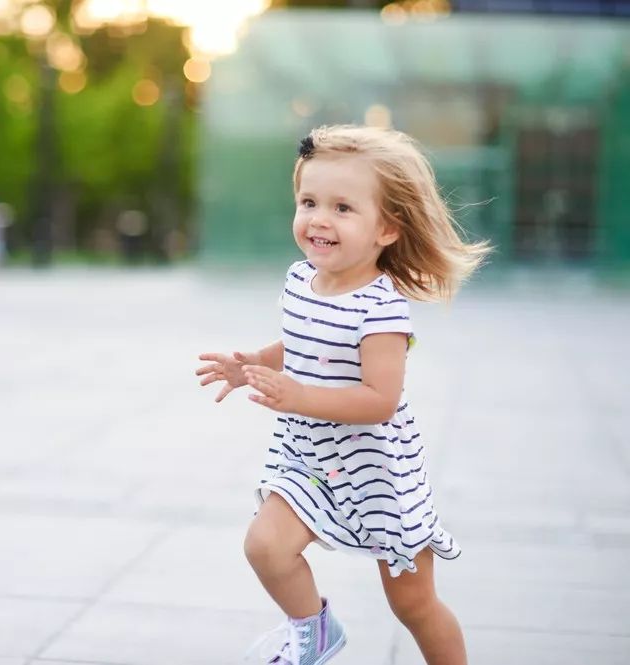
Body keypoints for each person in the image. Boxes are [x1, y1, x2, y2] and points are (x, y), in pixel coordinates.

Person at [195, 125, 490, 665]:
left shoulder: (382, 312)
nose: (319, 219)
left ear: (386, 229)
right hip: (309, 456)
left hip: (377, 469)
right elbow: (304, 340)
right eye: (309, 201)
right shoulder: (300, 279)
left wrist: (298, 395)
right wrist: (255, 365)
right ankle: (314, 629)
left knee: (414, 604)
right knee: (265, 544)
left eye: (342, 208)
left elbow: (380, 399)